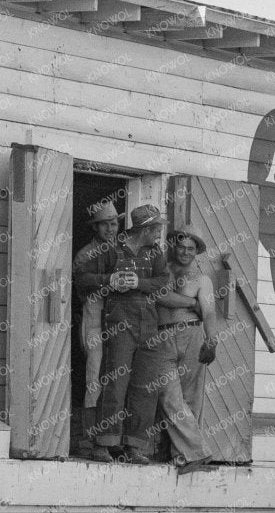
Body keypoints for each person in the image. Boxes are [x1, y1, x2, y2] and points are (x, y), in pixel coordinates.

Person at [123, 225, 219, 468]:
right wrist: (190, 301)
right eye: (181, 246)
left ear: (196, 251)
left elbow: (208, 312)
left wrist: (211, 340)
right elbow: (158, 296)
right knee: (168, 396)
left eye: (190, 248)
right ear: (173, 246)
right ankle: (198, 452)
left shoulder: (202, 279)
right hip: (162, 336)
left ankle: (182, 456)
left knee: (191, 398)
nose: (185, 251)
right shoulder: (161, 271)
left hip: (193, 334)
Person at [86, 204, 166, 461]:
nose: (159, 234)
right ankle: (102, 443)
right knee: (115, 383)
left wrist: (139, 283)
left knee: (145, 386)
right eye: (157, 229)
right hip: (119, 321)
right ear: (146, 229)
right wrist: (110, 281)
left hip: (149, 324)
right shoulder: (111, 248)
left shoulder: (155, 252)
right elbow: (83, 278)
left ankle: (134, 446)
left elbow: (164, 283)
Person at [69, 199, 124, 458]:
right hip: (93, 318)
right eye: (104, 225)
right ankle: (90, 441)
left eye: (113, 223)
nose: (110, 229)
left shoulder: (124, 250)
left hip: (119, 320)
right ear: (95, 228)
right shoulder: (85, 253)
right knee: (94, 380)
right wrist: (108, 280)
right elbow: (82, 279)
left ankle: (112, 438)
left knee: (117, 380)